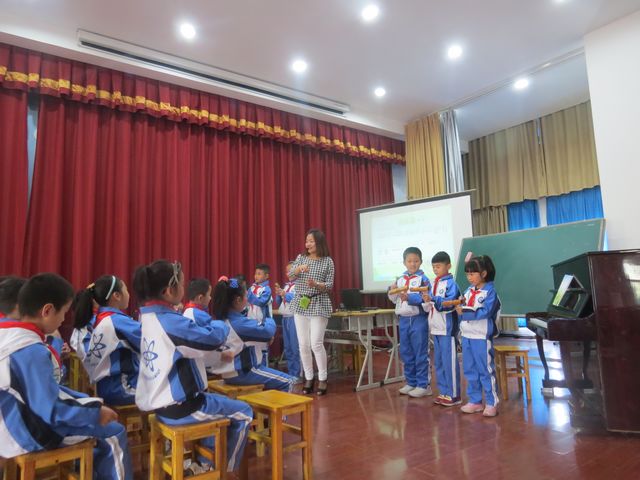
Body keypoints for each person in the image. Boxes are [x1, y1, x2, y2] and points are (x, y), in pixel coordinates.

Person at [0, 273, 132, 479]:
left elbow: (43, 392)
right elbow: (50, 408)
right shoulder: (30, 349)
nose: (64, 319)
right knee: (114, 432)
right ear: (47, 311)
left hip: (10, 420)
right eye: (63, 312)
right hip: (26, 430)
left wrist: (89, 404)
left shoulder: (9, 334)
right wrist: (94, 413)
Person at [133, 260, 252, 473]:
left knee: (215, 402)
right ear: (169, 291)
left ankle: (204, 465)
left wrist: (218, 356)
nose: (184, 288)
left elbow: (187, 350)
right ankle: (226, 471)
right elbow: (212, 338)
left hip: (162, 402)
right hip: (180, 407)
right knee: (244, 412)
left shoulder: (149, 315)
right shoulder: (171, 321)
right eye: (181, 284)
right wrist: (220, 322)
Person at [213, 278, 294, 391]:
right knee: (291, 382)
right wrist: (268, 318)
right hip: (244, 372)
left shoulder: (224, 318)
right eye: (246, 296)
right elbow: (268, 331)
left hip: (231, 373)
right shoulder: (239, 323)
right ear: (238, 300)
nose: (247, 299)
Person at [73, 275, 141, 405]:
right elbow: (150, 339)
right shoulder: (116, 321)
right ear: (117, 296)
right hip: (122, 388)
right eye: (126, 290)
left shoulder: (101, 319)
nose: (129, 294)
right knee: (165, 389)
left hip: (107, 387)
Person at [288, 229, 335, 395]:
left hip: (318, 303)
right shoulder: (301, 258)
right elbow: (290, 276)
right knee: (303, 344)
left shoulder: (327, 261)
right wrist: (298, 269)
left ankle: (323, 378)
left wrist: (316, 284)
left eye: (311, 241)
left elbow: (329, 285)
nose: (307, 244)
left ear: (319, 242)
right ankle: (309, 377)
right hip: (301, 303)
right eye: (306, 241)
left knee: (316, 343)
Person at [456, 255, 501, 417]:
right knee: (470, 370)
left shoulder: (490, 292)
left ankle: (491, 402)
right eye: (467, 274)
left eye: (472, 274)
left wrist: (464, 312)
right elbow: (463, 308)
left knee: (485, 370)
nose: (469, 277)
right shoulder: (468, 291)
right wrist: (459, 304)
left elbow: (485, 312)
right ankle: (475, 401)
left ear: (483, 273)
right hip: (467, 336)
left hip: (481, 337)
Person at [388, 247, 433, 398]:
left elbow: (426, 298)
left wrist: (410, 298)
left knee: (420, 352)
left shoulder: (424, 279)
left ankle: (423, 385)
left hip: (418, 319)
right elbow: (394, 299)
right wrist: (392, 290)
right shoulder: (400, 279)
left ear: (421, 262)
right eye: (409, 261)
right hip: (404, 320)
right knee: (406, 352)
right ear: (404, 262)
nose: (413, 264)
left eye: (416, 261)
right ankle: (411, 382)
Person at [422, 251, 461, 406]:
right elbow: (431, 304)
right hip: (436, 328)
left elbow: (450, 304)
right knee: (438, 362)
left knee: (449, 362)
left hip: (447, 328)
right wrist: (427, 300)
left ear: (448, 266)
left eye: (438, 266)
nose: (435, 269)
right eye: (433, 267)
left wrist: (433, 299)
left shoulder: (452, 284)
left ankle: (454, 394)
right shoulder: (434, 283)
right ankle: (443, 392)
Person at [274, 261, 301, 381]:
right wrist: (279, 294)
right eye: (286, 271)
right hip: (285, 318)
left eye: (290, 271)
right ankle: (291, 373)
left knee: (295, 347)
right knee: (288, 347)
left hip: (295, 318)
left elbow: (298, 299)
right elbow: (279, 303)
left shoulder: (300, 285)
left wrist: (285, 294)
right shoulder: (286, 286)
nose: (288, 273)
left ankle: (298, 374)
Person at [247, 264, 273, 366]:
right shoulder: (252, 288)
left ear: (266, 276)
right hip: (250, 322)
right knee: (252, 348)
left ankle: (264, 369)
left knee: (262, 350)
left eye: (259, 274)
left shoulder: (266, 289)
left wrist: (248, 294)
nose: (256, 276)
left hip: (262, 324)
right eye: (255, 273)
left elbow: (261, 302)